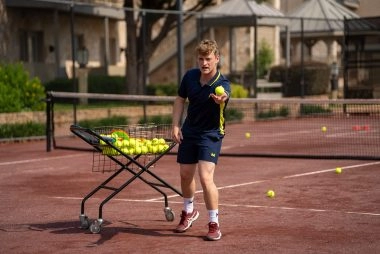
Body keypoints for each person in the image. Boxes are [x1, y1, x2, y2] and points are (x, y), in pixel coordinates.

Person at [171, 39, 231, 241]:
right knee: (185, 174)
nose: (204, 63)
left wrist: (221, 99)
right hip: (190, 131)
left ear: (216, 58)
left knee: (206, 178)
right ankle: (189, 212)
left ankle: (214, 223)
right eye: (201, 59)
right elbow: (180, 99)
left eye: (208, 59)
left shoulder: (222, 83)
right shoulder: (189, 77)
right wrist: (176, 125)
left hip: (211, 134)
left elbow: (226, 95)